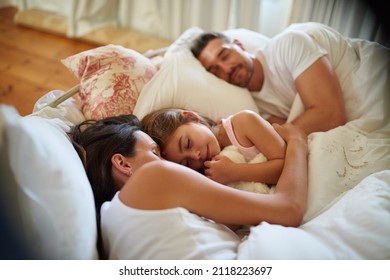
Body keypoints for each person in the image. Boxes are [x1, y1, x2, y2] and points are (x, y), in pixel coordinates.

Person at [70, 114, 308, 259]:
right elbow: (289, 210)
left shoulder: (109, 222)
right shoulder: (154, 177)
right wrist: (297, 142)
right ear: (122, 163)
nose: (166, 162)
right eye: (155, 152)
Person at [189, 23, 348, 135]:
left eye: (225, 55)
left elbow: (331, 114)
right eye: (215, 70)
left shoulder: (289, 45)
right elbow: (289, 133)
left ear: (239, 45)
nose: (227, 69)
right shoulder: (250, 106)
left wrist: (280, 134)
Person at [142, 108, 286, 185]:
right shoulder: (210, 174)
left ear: (191, 117)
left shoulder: (243, 122)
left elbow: (287, 164)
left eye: (187, 144)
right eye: (186, 163)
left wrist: (235, 172)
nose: (195, 156)